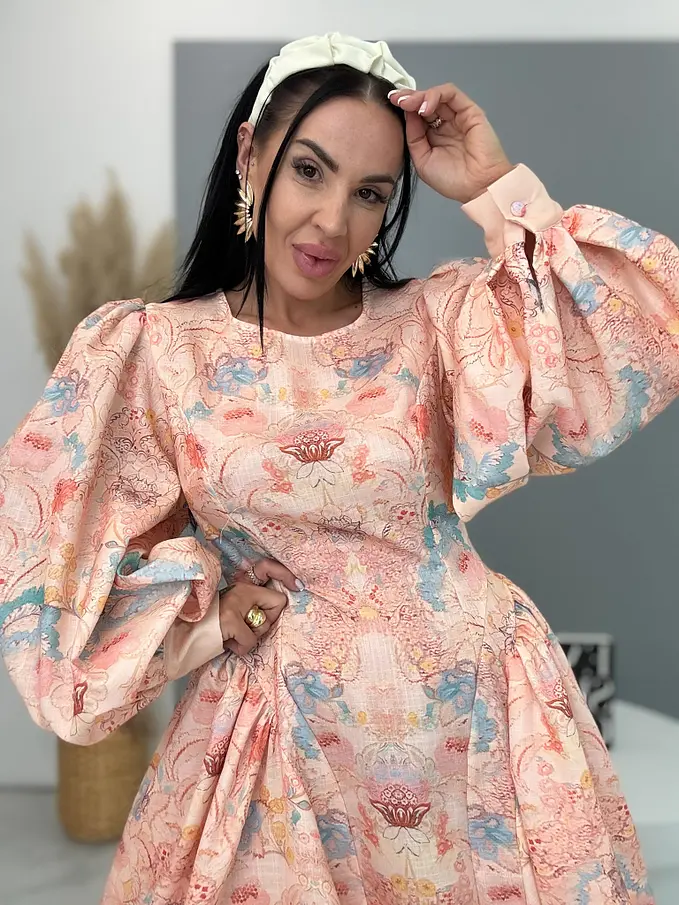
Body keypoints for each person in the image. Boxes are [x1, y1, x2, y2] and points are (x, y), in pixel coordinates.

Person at [0, 30, 670, 905]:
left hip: (478, 724)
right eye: (308, 171)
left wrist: (494, 184)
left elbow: (638, 335)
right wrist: (205, 610)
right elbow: (48, 555)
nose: (330, 222)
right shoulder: (153, 350)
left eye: (369, 194)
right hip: (279, 745)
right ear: (251, 154)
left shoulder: (439, 320)